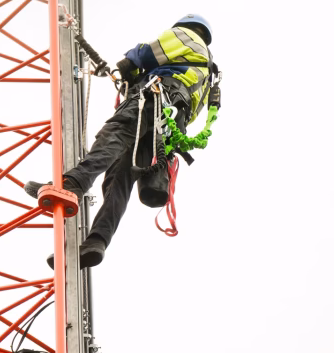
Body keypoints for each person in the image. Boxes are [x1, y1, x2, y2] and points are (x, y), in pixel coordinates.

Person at [25, 14, 220, 269]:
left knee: (113, 137)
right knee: (119, 180)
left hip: (154, 98)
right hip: (168, 127)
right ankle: (97, 241)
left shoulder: (186, 36)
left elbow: (146, 54)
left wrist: (130, 62)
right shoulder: (208, 73)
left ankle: (73, 183)